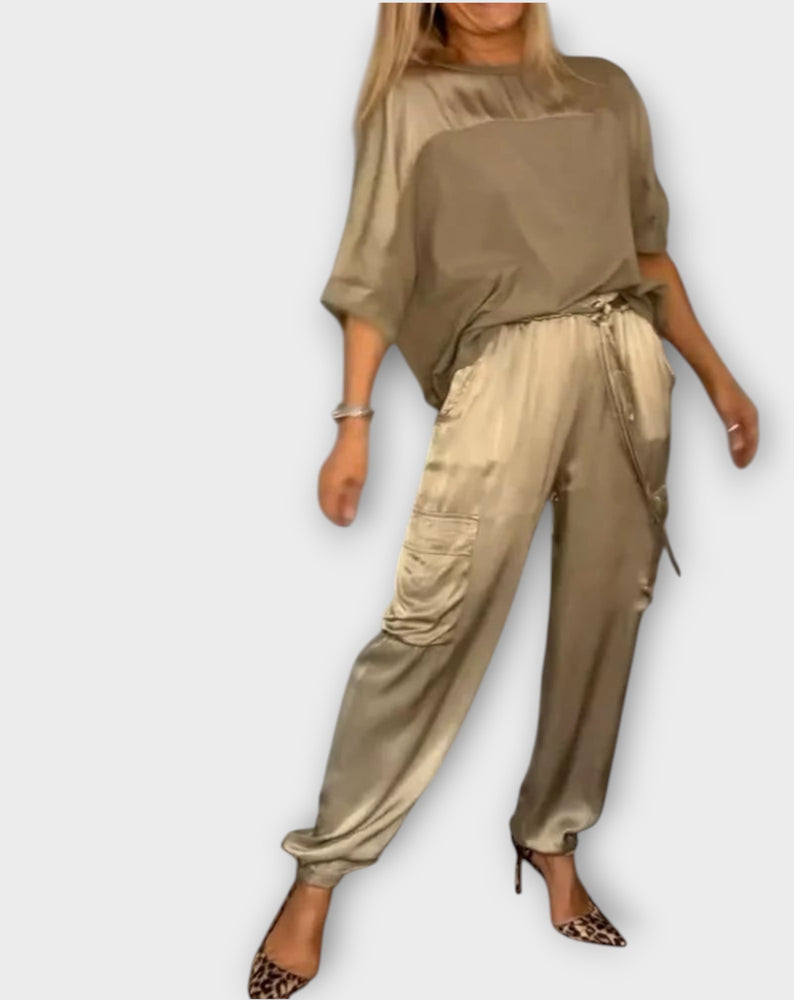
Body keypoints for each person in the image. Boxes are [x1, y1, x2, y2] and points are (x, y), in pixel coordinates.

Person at [248, 3, 759, 996]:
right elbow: (375, 273)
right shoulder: (411, 105)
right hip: (500, 376)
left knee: (606, 617)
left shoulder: (607, 90)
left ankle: (553, 836)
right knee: (433, 622)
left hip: (623, 362)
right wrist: (352, 420)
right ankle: (320, 873)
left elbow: (647, 255)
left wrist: (720, 379)